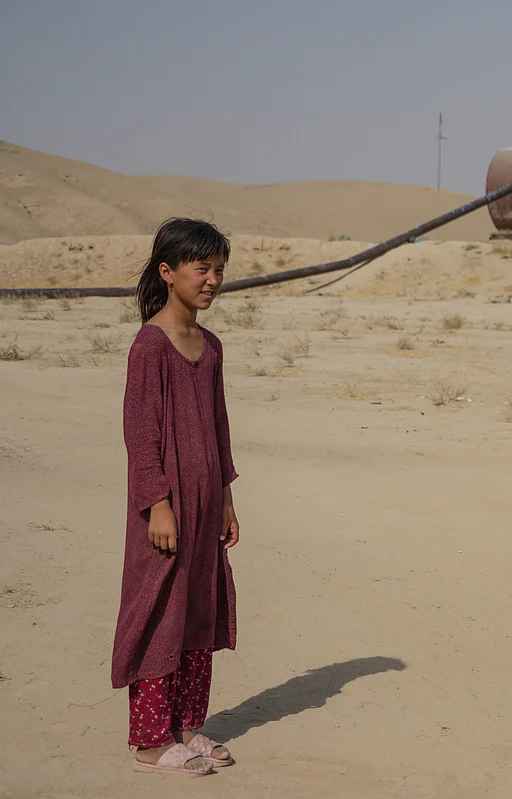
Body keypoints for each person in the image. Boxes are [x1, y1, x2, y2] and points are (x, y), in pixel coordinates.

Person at [111, 218, 241, 777]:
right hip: (166, 506)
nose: (212, 280)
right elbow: (140, 434)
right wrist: (157, 503)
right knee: (159, 610)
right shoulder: (150, 346)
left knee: (198, 608)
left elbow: (219, 426)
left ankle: (187, 727)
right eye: (201, 268)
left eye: (219, 271)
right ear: (167, 272)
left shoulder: (210, 346)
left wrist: (227, 498)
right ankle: (149, 744)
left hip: (208, 501)